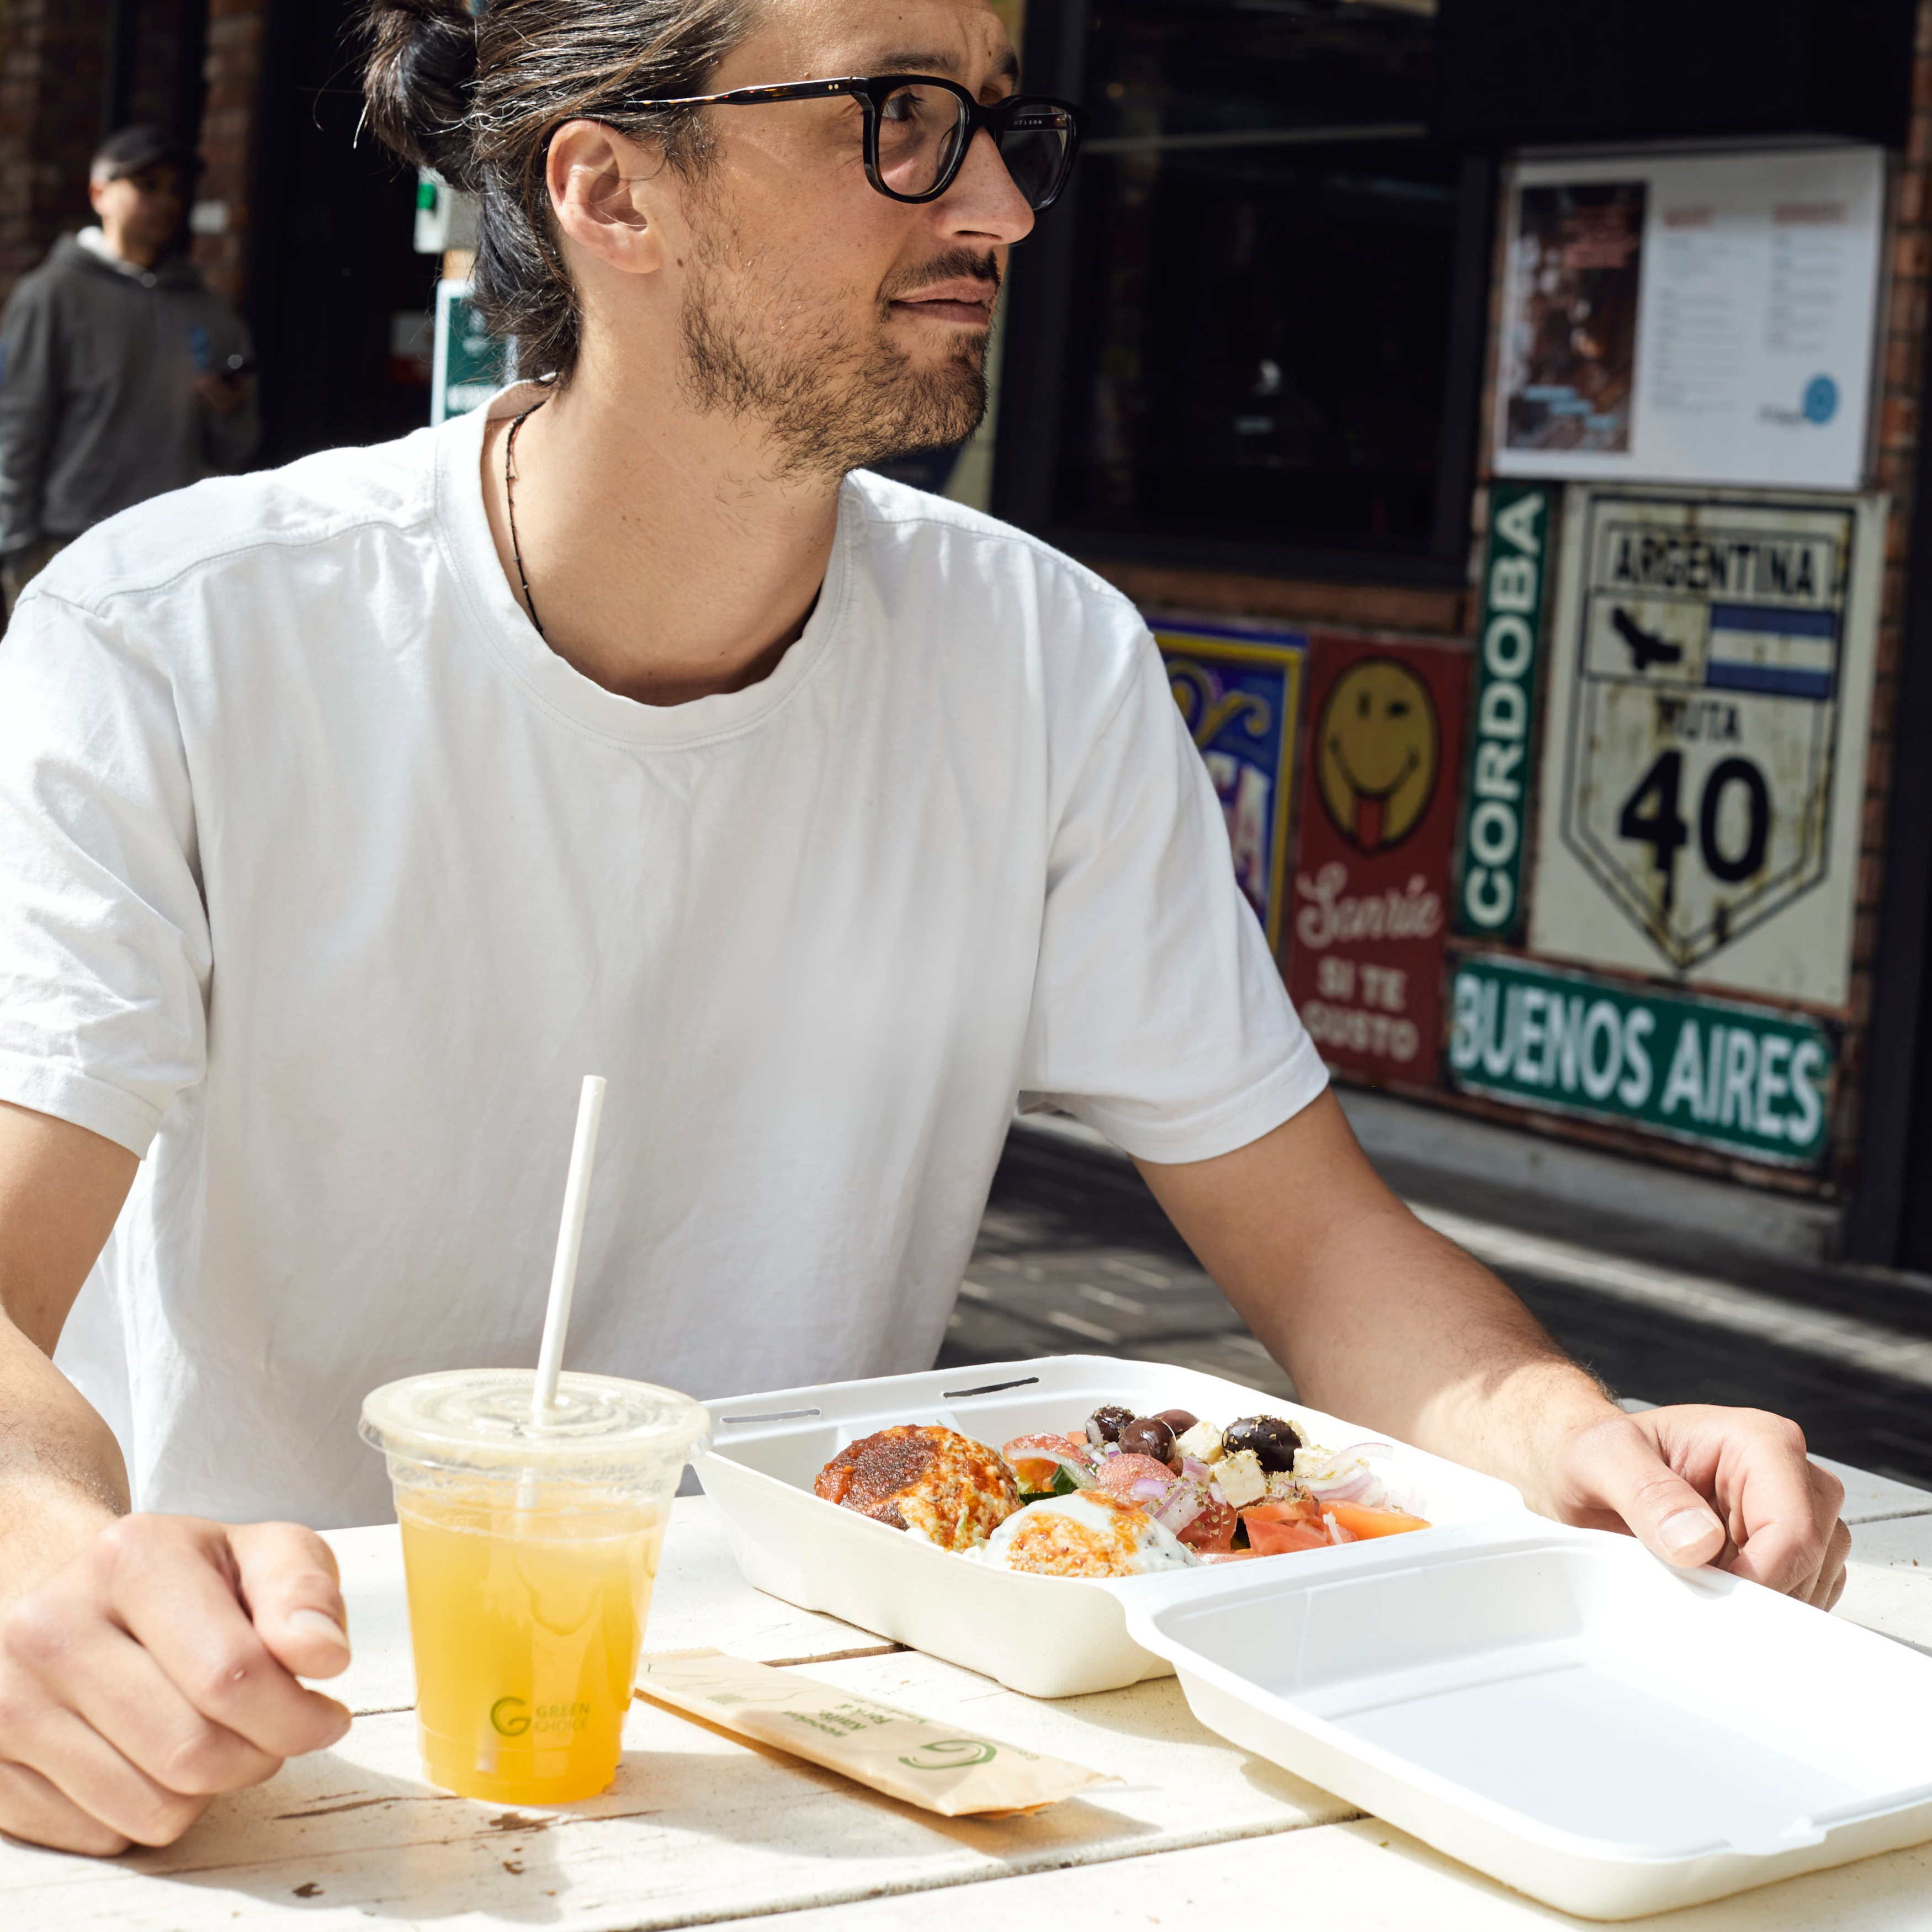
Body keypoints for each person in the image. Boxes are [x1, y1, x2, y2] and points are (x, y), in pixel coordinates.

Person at [0, 0, 1846, 1859]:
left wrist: (1581, 1447)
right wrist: (49, 1565)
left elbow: (1322, 1250)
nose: (1003, 209)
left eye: (992, 121)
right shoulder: (179, 643)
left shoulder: (1043, 661)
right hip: (262, 1755)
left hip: (838, 1764)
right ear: (610, 188)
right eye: (898, 116)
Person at [0, 126, 257, 617]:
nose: (165, 201)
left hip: (175, 557)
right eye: (147, 185)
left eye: (176, 189)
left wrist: (229, 414)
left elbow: (239, 450)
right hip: (70, 552)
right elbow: (15, 430)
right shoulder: (51, 296)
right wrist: (18, 551)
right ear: (100, 193)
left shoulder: (209, 312)